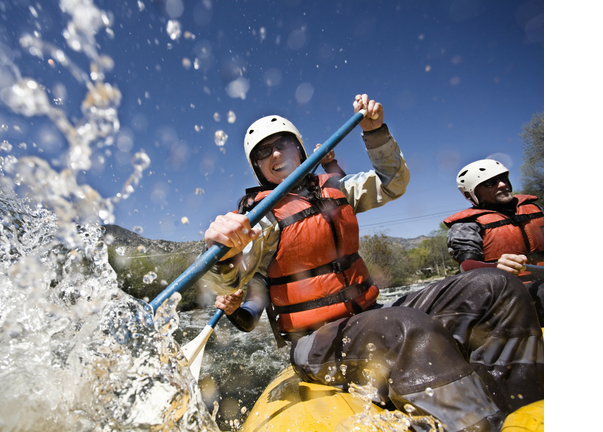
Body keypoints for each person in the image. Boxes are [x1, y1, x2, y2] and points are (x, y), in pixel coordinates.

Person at [200, 95, 543, 431]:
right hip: (315, 341)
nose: (275, 154)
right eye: (263, 152)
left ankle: (515, 408)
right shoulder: (260, 219)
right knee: (403, 327)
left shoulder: (335, 189)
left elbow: (392, 184)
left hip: (369, 314)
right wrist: (222, 250)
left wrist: (375, 133)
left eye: (283, 144)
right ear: (257, 167)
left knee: (497, 287)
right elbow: (232, 280)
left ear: (300, 149)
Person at [443, 159, 544, 325]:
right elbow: (466, 265)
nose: (503, 184)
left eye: (504, 178)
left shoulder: (535, 209)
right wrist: (496, 267)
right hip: (508, 294)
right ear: (470, 194)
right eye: (491, 183)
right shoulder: (465, 225)